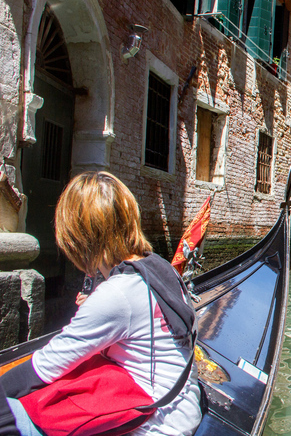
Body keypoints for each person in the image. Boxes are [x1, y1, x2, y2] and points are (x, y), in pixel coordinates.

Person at [1, 171, 201, 436]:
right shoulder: (159, 267)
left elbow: (44, 368)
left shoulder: (116, 294)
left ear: (78, 236)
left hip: (156, 424)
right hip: (184, 408)